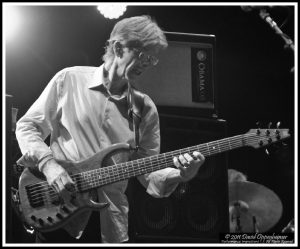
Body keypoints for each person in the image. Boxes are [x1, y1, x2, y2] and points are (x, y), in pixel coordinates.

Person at [15, 15, 205, 243]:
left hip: (108, 223)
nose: (147, 64)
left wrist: (181, 174)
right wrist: (49, 165)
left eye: (153, 60)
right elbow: (28, 126)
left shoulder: (145, 108)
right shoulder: (69, 79)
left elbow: (146, 171)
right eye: (144, 55)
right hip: (56, 208)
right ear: (118, 47)